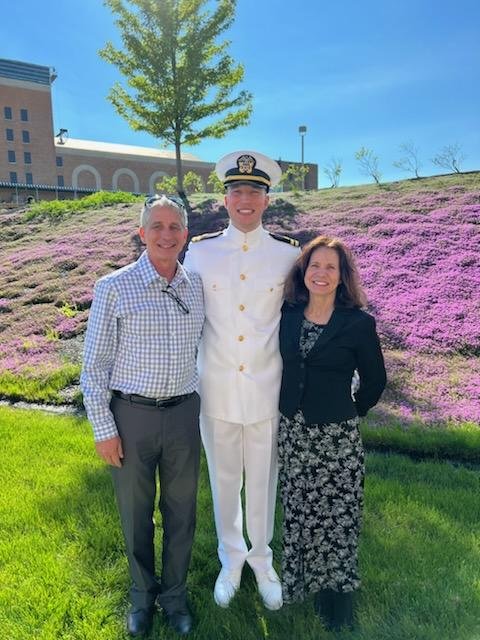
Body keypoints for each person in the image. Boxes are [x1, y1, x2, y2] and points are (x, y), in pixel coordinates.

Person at [80, 195, 204, 637]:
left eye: (174, 227)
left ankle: (174, 597)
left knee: (181, 511)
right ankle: (141, 596)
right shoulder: (114, 286)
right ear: (142, 233)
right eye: (157, 226)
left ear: (185, 235)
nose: (166, 235)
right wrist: (104, 429)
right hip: (131, 417)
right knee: (136, 514)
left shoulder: (197, 286)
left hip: (184, 414)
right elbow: (93, 366)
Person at [183, 150, 300, 611]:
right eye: (237, 191)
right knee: (224, 481)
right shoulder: (201, 251)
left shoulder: (288, 255)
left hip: (267, 389)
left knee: (264, 481)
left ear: (267, 199)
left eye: (254, 191)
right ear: (225, 199)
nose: (245, 199)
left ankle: (262, 559)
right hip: (216, 388)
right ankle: (231, 559)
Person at [278, 235, 386, 631]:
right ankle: (305, 585)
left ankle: (339, 599)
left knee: (338, 518)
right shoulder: (288, 314)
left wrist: (351, 412)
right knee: (301, 513)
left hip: (336, 438)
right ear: (303, 271)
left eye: (330, 267)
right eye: (315, 265)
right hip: (292, 434)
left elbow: (375, 380)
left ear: (342, 277)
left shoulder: (358, 323)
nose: (321, 273)